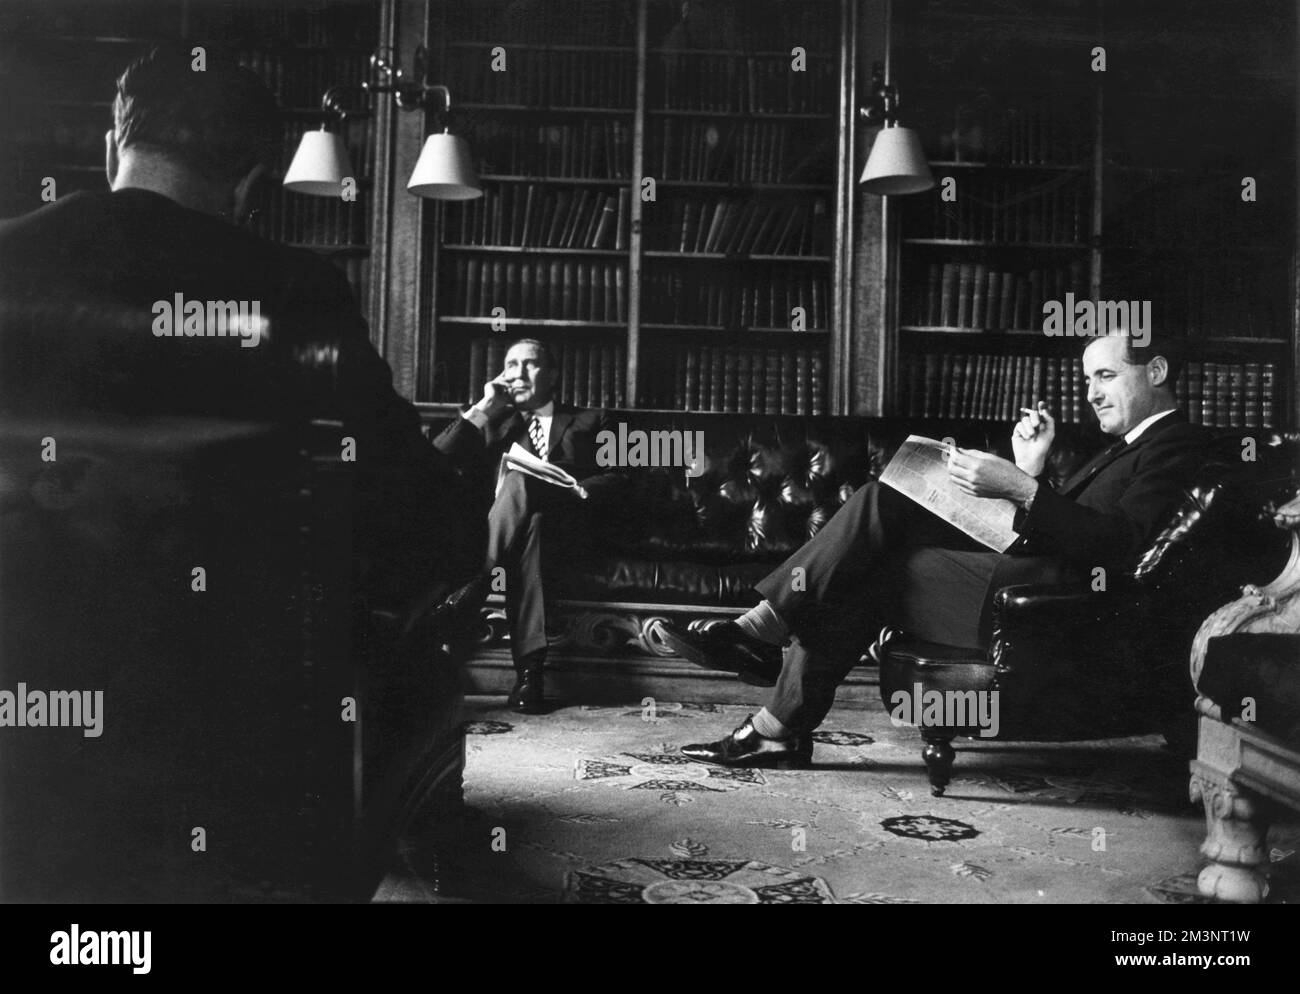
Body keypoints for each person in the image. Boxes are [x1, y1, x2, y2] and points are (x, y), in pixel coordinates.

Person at [0, 45, 483, 600]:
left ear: (112, 152)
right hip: (215, 651)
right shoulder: (295, 288)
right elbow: (407, 498)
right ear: (249, 184)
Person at [661, 331, 1210, 767]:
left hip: (1055, 607)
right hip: (1031, 576)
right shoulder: (1126, 448)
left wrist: (1022, 488)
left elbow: (1124, 545)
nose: (1091, 393)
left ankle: (763, 647)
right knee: (879, 512)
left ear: (1156, 371)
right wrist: (1030, 467)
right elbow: (1065, 528)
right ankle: (773, 720)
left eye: (1106, 375)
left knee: (872, 547)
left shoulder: (1178, 447)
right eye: (1088, 378)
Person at [433, 338, 627, 713]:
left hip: (570, 524)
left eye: (530, 365)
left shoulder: (593, 418)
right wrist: (485, 407)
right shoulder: (490, 423)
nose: (518, 373)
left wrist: (580, 490)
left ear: (552, 374)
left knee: (523, 483)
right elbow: (436, 460)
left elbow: (623, 474)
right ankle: (530, 676)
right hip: (517, 533)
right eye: (510, 365)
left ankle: (471, 591)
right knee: (532, 522)